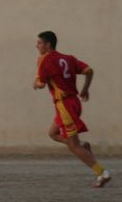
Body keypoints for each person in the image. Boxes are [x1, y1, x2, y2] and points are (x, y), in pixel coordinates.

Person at [33, 31, 111, 187]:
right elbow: (89, 71)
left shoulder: (45, 60)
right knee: (53, 133)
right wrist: (85, 89)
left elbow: (41, 84)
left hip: (64, 106)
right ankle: (82, 145)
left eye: (39, 43)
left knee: (73, 146)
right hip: (74, 102)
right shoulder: (68, 58)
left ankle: (102, 172)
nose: (37, 46)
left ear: (48, 45)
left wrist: (36, 82)